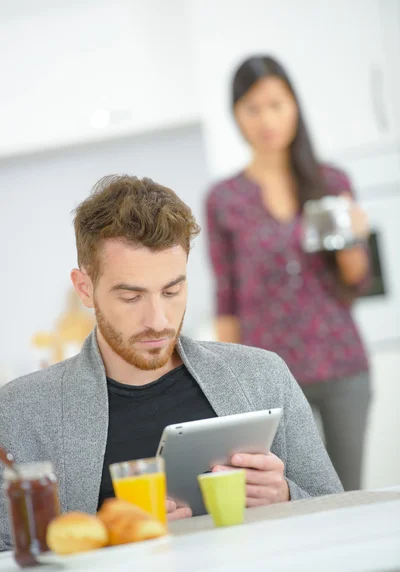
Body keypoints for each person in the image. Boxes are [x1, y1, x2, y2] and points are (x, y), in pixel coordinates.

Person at [0, 175, 342, 552]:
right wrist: (110, 534)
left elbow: (339, 512)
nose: (158, 320)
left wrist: (285, 496)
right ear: (85, 288)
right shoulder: (21, 412)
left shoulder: (263, 376)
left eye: (172, 291)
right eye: (132, 297)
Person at [206, 56, 371, 491]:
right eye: (252, 108)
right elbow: (227, 298)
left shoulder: (333, 182)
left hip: (342, 367)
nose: (267, 120)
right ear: (236, 116)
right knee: (284, 500)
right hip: (269, 382)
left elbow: (357, 281)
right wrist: (227, 386)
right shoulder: (225, 199)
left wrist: (356, 238)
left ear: (295, 105)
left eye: (276, 104)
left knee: (345, 496)